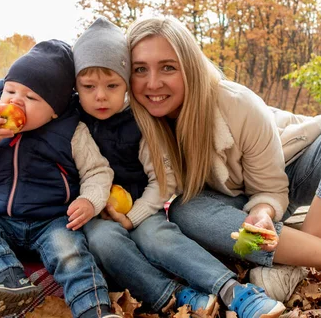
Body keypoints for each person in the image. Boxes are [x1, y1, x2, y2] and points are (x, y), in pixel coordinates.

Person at [125, 16, 321, 305]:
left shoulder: (235, 102)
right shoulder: (128, 119)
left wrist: (263, 211)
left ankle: (296, 264)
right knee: (184, 211)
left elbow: (270, 187)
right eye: (140, 69)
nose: (153, 83)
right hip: (226, 202)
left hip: (292, 166)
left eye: (168, 67)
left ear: (191, 67)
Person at [72, 17, 286, 318]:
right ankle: (176, 295)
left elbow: (163, 179)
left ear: (122, 82)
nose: (100, 95)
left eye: (111, 85)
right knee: (102, 240)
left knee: (155, 235)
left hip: (145, 206)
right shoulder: (69, 121)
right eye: (89, 86)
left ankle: (232, 290)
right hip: (95, 215)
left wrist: (133, 217)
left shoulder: (139, 121)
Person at [0, 40, 120, 318]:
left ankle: (96, 311)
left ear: (54, 109)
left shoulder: (72, 132)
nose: (15, 100)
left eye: (31, 97)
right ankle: (9, 284)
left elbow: (97, 172)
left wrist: (90, 200)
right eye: (11, 90)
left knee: (71, 254)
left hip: (51, 220)